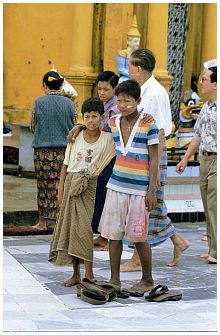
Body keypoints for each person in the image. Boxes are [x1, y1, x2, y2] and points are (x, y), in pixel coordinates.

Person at [120, 48, 189, 271]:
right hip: (141, 154)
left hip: (152, 155)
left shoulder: (155, 93)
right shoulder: (143, 90)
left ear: (138, 68)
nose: (127, 70)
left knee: (145, 206)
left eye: (129, 66)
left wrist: (154, 170)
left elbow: (159, 132)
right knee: (154, 206)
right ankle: (178, 241)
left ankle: (138, 259)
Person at [98, 79, 159, 293]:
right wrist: (78, 128)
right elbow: (96, 129)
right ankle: (115, 280)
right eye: (120, 101)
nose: (123, 105)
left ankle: (148, 279)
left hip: (139, 191)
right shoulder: (113, 122)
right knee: (113, 235)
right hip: (116, 186)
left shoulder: (149, 123)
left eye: (128, 101)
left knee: (139, 237)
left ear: (138, 101)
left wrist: (152, 190)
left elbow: (154, 159)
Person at [48, 98, 115, 286]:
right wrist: (60, 188)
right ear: (82, 117)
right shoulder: (75, 137)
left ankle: (89, 273)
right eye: (87, 117)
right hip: (71, 182)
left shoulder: (108, 140)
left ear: (102, 117)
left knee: (84, 229)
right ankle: (76, 274)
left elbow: (123, 133)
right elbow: (65, 164)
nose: (91, 120)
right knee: (70, 228)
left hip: (90, 185)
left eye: (95, 116)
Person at [176, 59, 217, 264]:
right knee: (207, 205)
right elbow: (197, 135)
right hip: (205, 159)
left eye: (204, 79)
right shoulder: (207, 107)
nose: (201, 82)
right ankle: (212, 247)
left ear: (216, 83)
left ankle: (217, 252)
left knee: (214, 205)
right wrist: (184, 158)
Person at [31, 70, 76, 230]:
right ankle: (60, 222)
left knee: (43, 185)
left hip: (42, 151)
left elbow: (32, 127)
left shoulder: (38, 102)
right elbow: (74, 126)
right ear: (61, 85)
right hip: (64, 152)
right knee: (61, 185)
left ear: (44, 85)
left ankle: (42, 222)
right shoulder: (70, 103)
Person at [92, 71, 120, 249]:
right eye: (99, 89)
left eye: (106, 89)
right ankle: (103, 235)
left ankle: (109, 237)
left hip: (113, 158)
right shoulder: (104, 106)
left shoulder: (115, 108)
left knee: (108, 197)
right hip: (104, 156)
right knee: (101, 195)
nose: (102, 92)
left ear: (115, 89)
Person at [117, 15, 141, 83]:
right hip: (126, 77)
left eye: (139, 41)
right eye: (135, 41)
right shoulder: (123, 53)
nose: (138, 44)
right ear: (128, 41)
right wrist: (132, 76)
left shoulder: (139, 54)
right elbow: (121, 69)